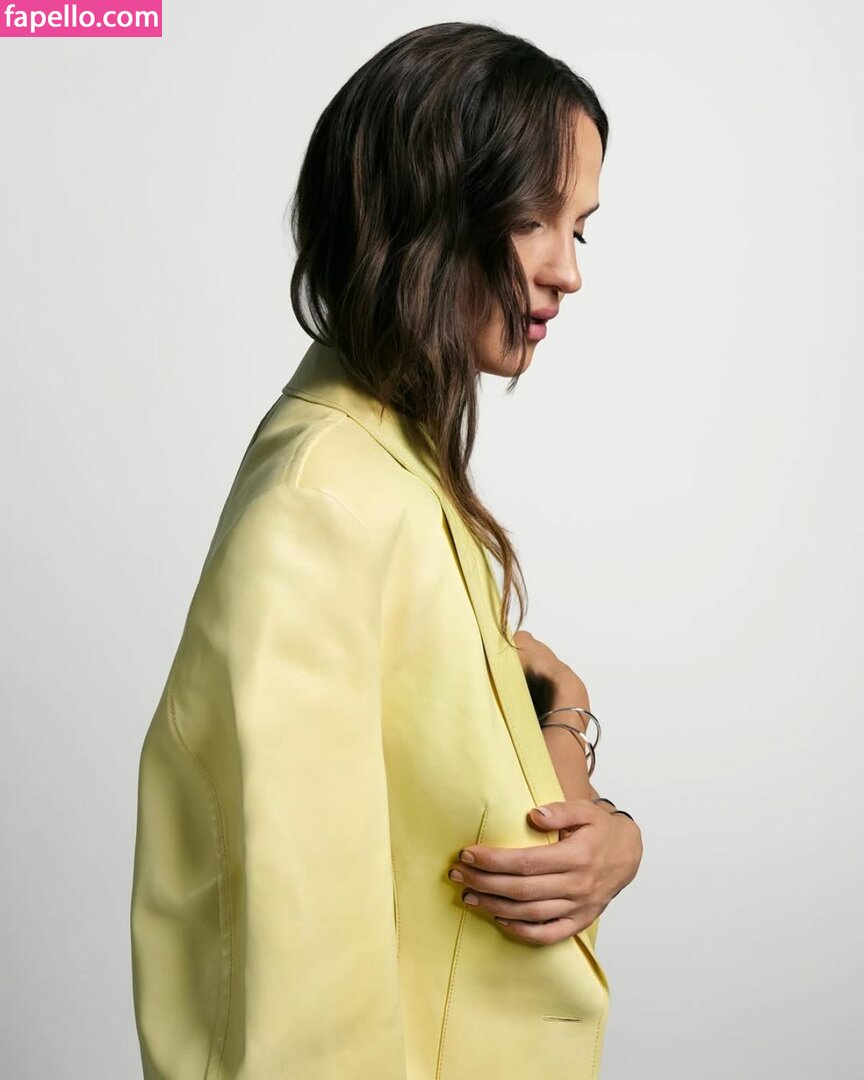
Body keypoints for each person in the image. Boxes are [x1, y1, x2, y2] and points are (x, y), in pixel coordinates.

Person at [130, 20, 643, 1080]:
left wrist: (599, 808)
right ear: (423, 210)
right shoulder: (324, 500)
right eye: (532, 219)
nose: (567, 272)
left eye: (580, 230)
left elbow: (479, 818)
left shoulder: (391, 465)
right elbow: (301, 965)